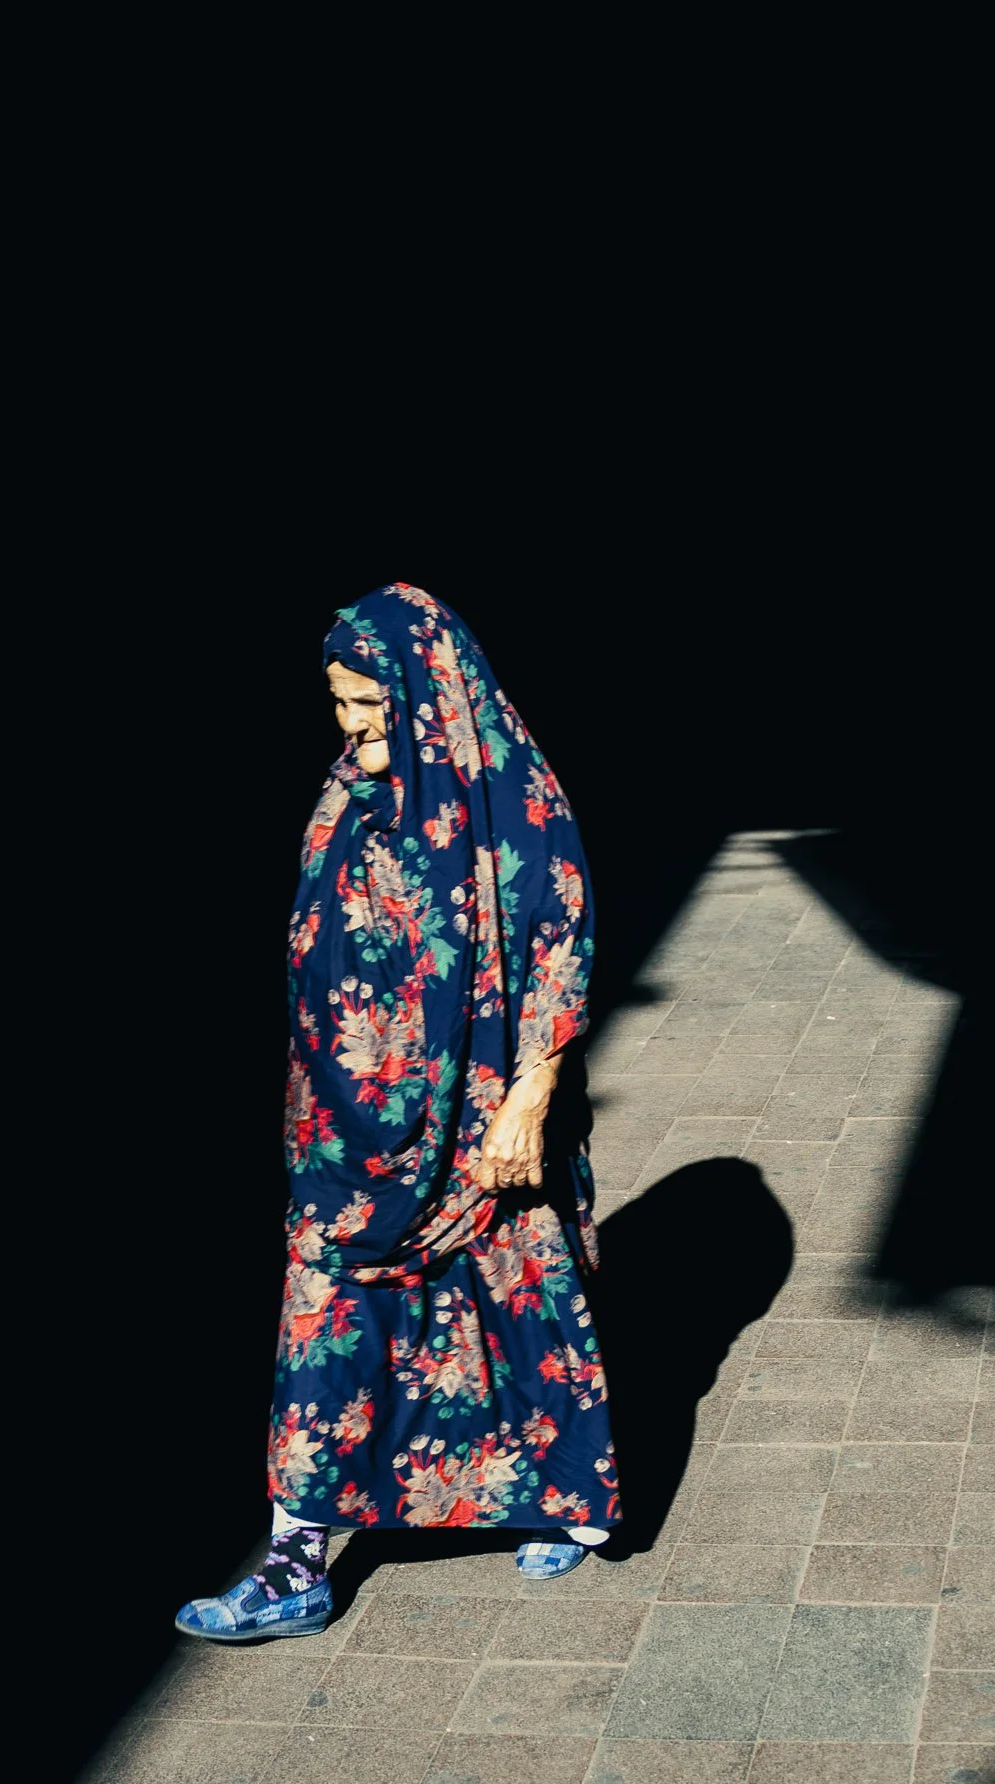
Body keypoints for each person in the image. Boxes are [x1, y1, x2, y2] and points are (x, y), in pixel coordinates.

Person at [176, 583, 619, 1643]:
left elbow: (557, 945)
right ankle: (293, 1562)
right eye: (338, 704)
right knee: (325, 1321)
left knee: (518, 1295)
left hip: (475, 1119)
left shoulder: (509, 798)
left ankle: (562, 1494)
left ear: (428, 692)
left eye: (372, 702)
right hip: (347, 1134)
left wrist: (528, 1097)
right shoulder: (345, 793)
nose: (354, 725)